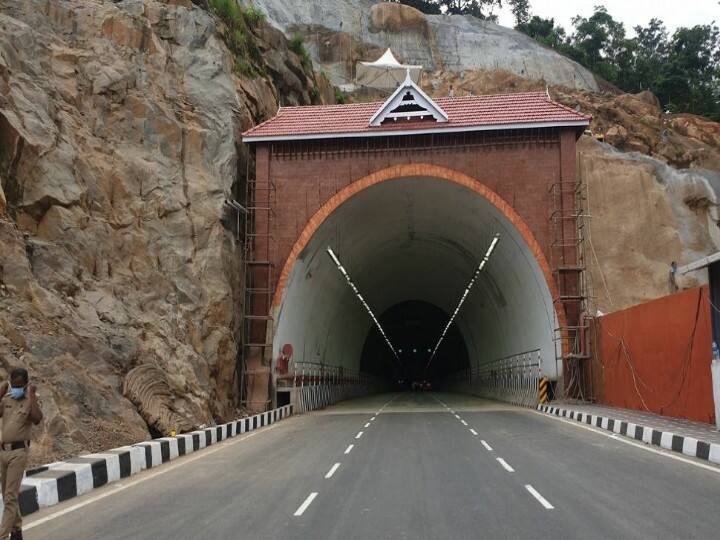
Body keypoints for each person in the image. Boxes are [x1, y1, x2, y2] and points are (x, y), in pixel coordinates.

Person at [0, 368, 43, 540]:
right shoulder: (7, 399)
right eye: (14, 385)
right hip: (3, 452)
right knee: (6, 495)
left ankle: (2, 536)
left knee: (10, 496)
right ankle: (16, 530)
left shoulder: (31, 400)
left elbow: (37, 418)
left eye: (19, 385)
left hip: (19, 452)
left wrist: (31, 395)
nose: (16, 388)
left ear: (25, 384)